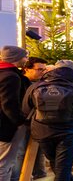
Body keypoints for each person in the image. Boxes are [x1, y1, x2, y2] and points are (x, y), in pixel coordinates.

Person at [22, 60, 73, 181]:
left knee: (57, 164)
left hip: (42, 132)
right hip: (68, 132)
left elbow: (25, 110)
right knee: (63, 169)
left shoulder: (35, 86)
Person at [14, 57, 48, 181]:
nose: (43, 72)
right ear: (27, 69)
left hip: (37, 122)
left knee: (38, 150)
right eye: (39, 69)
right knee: (20, 151)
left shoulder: (42, 83)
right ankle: (16, 177)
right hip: (22, 122)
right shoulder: (19, 82)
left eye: (44, 69)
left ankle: (38, 174)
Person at [0, 46, 30, 181]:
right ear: (16, 58)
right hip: (7, 127)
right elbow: (9, 104)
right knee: (4, 164)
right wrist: (20, 120)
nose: (27, 60)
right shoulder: (11, 76)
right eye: (25, 56)